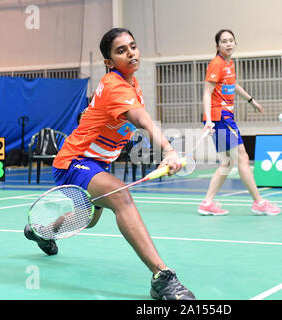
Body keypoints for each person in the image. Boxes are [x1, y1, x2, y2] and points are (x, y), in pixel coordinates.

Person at [24, 28, 196, 300]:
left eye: (133, 46)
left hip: (96, 164)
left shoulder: (130, 84)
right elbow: (142, 120)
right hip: (74, 161)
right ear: (109, 62)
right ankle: (162, 277)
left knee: (88, 219)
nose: (130, 52)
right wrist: (169, 149)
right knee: (120, 196)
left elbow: (107, 115)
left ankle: (42, 231)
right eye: (121, 50)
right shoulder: (115, 85)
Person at [198, 29, 281, 217]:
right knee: (242, 158)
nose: (228, 44)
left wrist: (251, 101)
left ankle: (207, 203)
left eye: (231, 41)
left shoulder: (230, 64)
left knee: (226, 162)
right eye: (224, 41)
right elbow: (206, 93)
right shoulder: (216, 64)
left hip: (223, 117)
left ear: (235, 43)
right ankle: (259, 203)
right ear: (217, 46)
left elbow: (233, 85)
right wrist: (209, 120)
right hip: (221, 117)